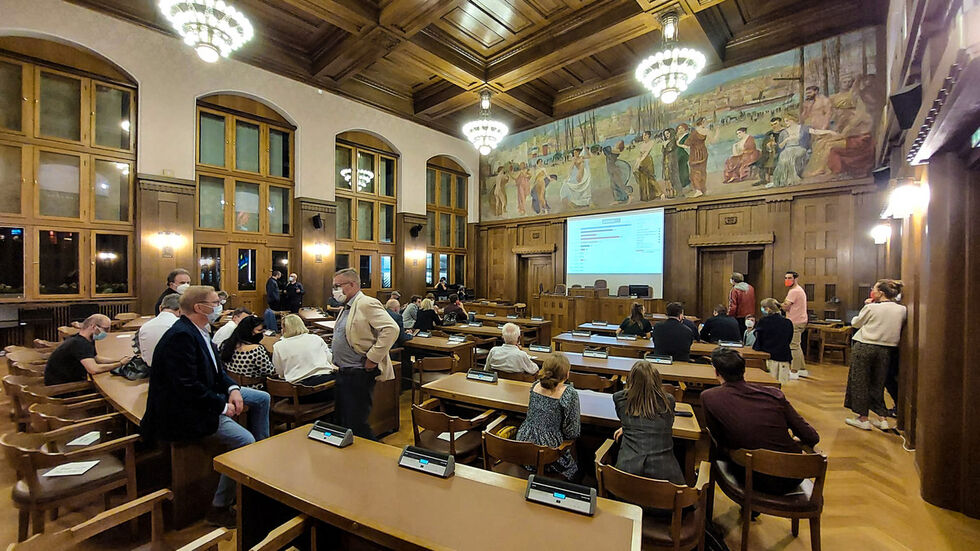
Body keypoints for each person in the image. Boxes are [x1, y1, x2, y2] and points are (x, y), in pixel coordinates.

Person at [141, 286, 270, 527]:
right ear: (200, 307)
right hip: (186, 409)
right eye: (215, 302)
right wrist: (222, 406)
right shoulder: (181, 336)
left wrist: (232, 389)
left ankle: (257, 462)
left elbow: (218, 371)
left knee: (262, 399)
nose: (220, 304)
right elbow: (186, 387)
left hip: (209, 393)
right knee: (244, 440)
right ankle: (219, 507)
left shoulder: (200, 330)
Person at [701, 347, 819, 495]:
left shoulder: (709, 397)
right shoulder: (774, 395)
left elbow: (719, 439)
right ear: (744, 370)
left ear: (717, 372)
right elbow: (812, 437)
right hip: (792, 476)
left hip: (748, 475)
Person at [330, 268, 398, 439]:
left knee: (357, 424)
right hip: (343, 371)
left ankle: (374, 461)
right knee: (343, 421)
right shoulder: (346, 306)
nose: (335, 290)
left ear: (352, 284)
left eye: (338, 286)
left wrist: (373, 357)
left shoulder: (366, 303)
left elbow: (391, 329)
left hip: (358, 372)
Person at [844, 279, 907, 431]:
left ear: (881, 293)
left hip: (865, 346)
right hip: (886, 350)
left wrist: (866, 306)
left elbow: (856, 323)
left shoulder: (872, 307)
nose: (873, 291)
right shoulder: (902, 309)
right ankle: (882, 418)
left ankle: (862, 418)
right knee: (878, 383)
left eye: (875, 289)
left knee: (859, 381)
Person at [612, 360, 684, 484]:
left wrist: (627, 427)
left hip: (626, 475)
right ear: (657, 380)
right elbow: (668, 423)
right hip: (665, 477)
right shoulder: (669, 401)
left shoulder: (620, 398)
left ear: (630, 380)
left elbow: (625, 418)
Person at [516, 354, 581, 480]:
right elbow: (572, 432)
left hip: (524, 445)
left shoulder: (535, 385)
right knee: (577, 467)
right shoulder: (569, 393)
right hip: (548, 452)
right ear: (567, 374)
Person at [44, 314, 132, 385]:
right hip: (61, 388)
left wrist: (119, 360)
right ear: (93, 326)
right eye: (105, 329)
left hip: (69, 380)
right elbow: (94, 369)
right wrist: (119, 364)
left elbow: (96, 358)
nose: (107, 332)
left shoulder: (86, 339)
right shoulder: (80, 344)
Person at [273, 314, 336, 403]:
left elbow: (279, 372)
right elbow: (330, 359)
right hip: (327, 386)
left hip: (300, 392)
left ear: (284, 329)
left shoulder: (278, 346)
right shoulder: (316, 338)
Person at [219, 316, 275, 388]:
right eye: (259, 330)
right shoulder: (256, 350)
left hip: (233, 387)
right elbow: (269, 371)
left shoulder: (225, 345)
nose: (262, 333)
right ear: (250, 331)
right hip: (256, 389)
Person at [753, 298, 794, 383]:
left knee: (767, 383)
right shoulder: (788, 322)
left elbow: (759, 339)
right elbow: (789, 339)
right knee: (780, 384)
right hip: (783, 356)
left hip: (768, 356)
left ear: (767, 309)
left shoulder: (763, 321)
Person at [138, 294, 181, 368]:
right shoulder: (181, 326)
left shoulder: (144, 327)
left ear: (160, 308)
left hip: (150, 370)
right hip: (175, 371)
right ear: (180, 311)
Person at [781, 271, 809, 378]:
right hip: (801, 320)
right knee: (798, 345)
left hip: (795, 322)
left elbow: (786, 306)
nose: (787, 280)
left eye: (789, 278)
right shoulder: (799, 290)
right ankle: (802, 369)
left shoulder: (794, 291)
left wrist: (779, 304)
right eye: (785, 278)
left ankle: (794, 371)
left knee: (794, 346)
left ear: (795, 279)